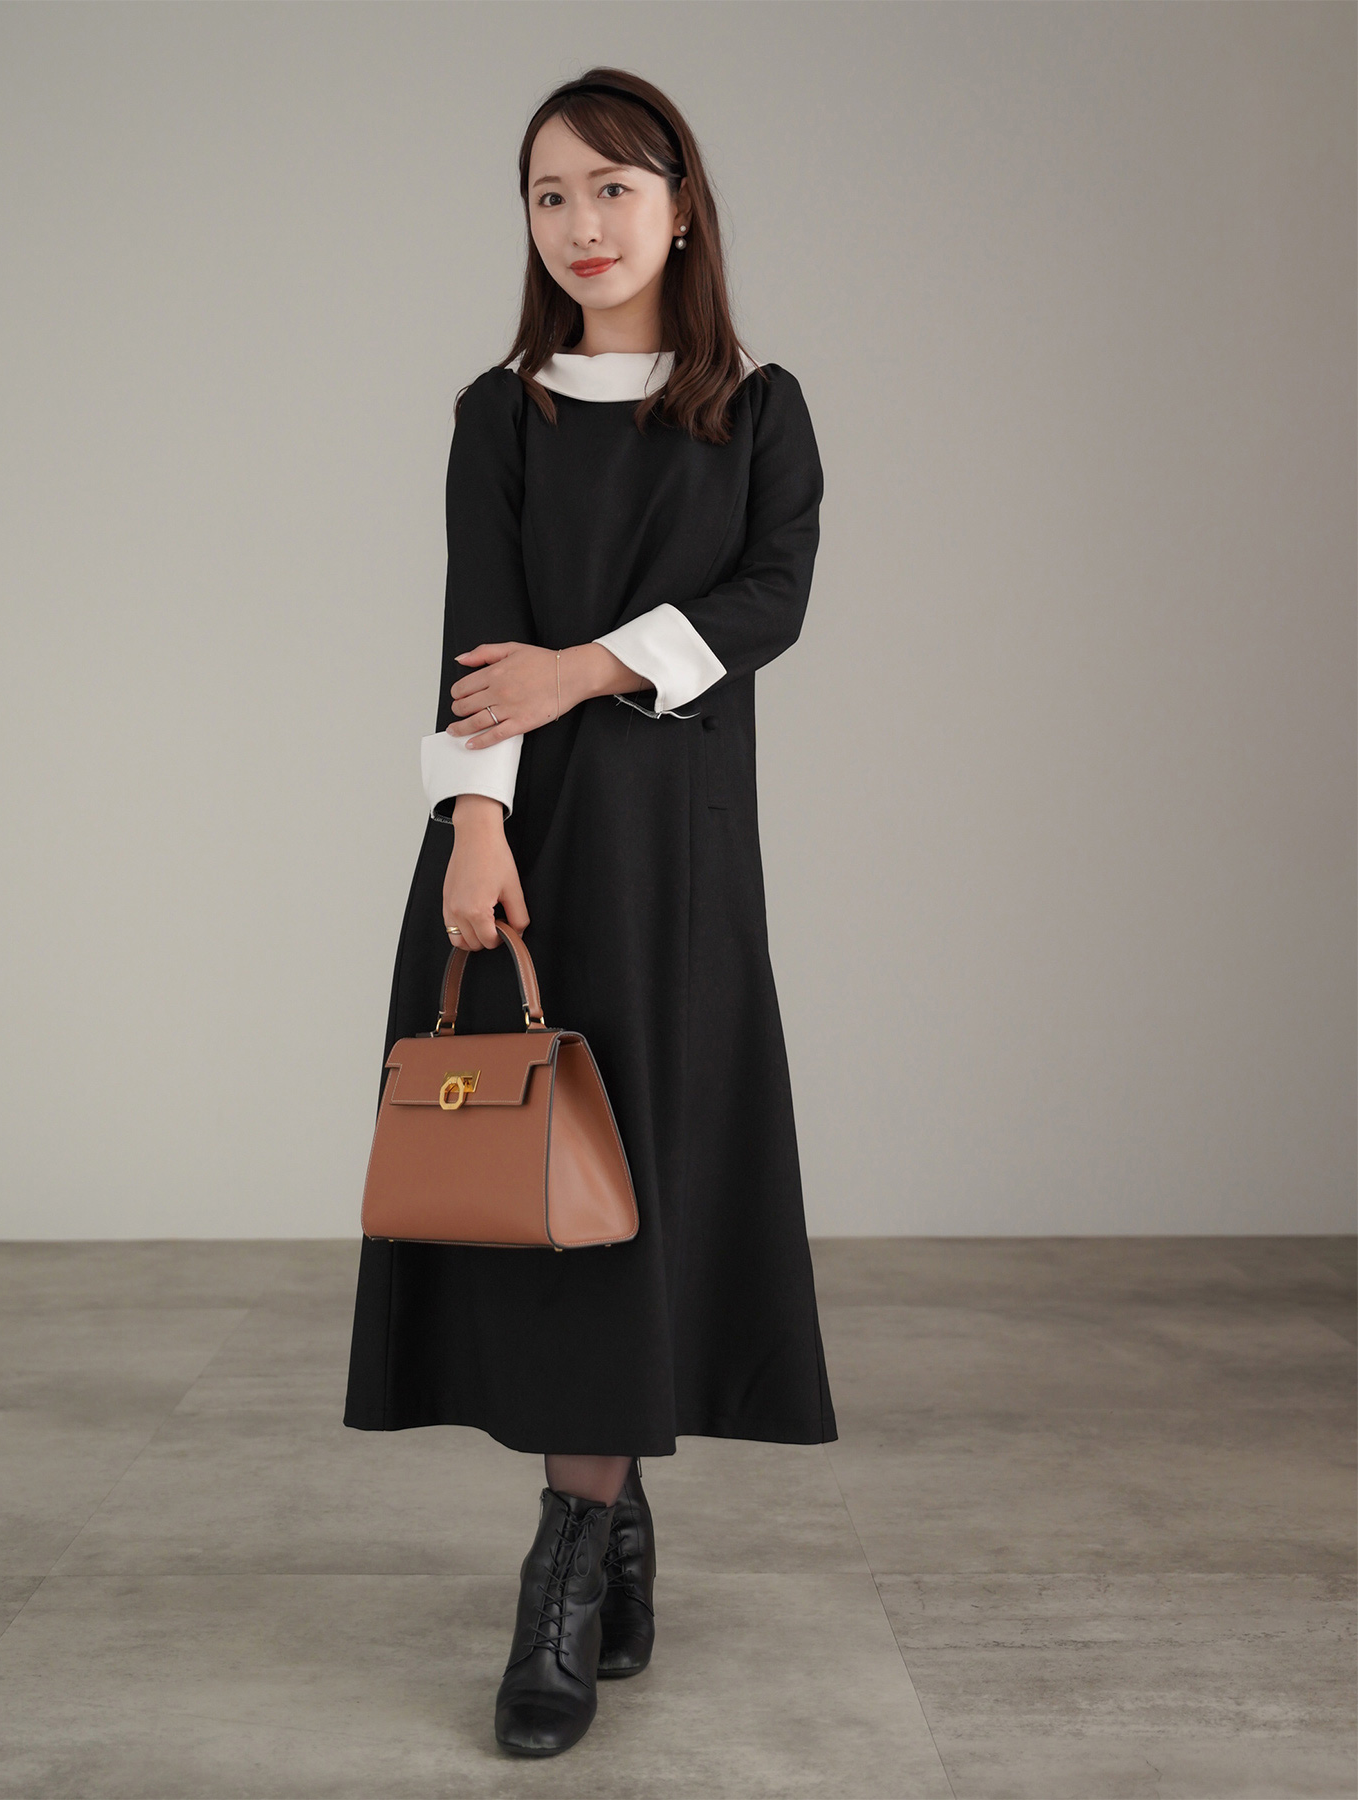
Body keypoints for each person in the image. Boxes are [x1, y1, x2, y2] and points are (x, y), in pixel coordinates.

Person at [344, 67, 837, 1758]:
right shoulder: (503, 414)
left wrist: (587, 669)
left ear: (680, 209)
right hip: (527, 847)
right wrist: (472, 824)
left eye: (612, 188)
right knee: (539, 1201)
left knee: (636, 1198)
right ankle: (594, 1534)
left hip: (677, 860)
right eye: (549, 195)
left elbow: (769, 600)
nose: (581, 224)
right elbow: (475, 635)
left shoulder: (757, 409)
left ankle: (577, 1549)